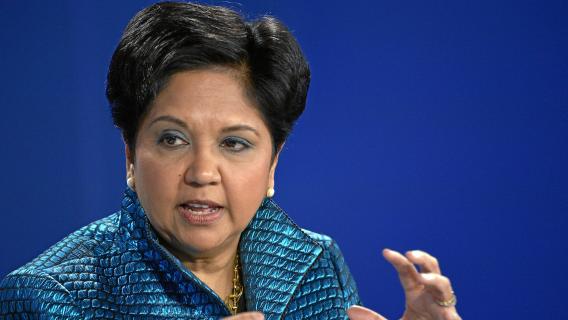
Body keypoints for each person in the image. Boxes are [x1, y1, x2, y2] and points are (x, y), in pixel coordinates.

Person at [0, 2, 461, 319]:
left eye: (235, 144)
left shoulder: (312, 266)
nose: (202, 173)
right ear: (130, 156)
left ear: (273, 165)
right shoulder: (50, 297)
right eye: (172, 139)